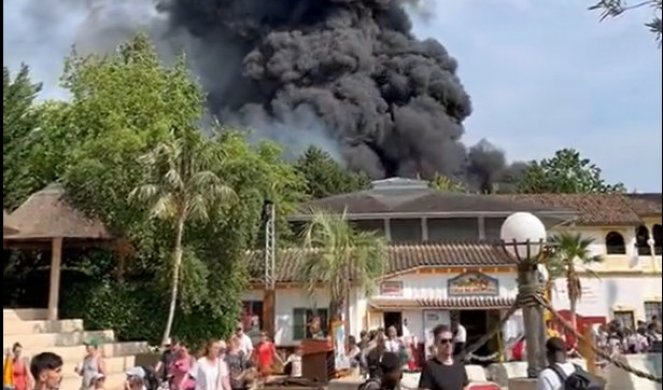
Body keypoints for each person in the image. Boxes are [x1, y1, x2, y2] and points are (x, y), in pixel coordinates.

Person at [418, 324, 468, 390]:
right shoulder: (430, 367)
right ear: (436, 343)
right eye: (444, 341)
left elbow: (465, 387)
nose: (448, 344)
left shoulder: (459, 365)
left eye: (451, 341)